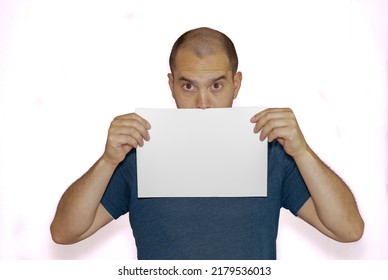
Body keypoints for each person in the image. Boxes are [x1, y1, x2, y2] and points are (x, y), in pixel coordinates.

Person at [50, 27, 364, 260]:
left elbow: (348, 231)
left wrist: (303, 152)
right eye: (188, 85)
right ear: (171, 85)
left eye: (216, 85)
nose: (203, 103)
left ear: (236, 83)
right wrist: (107, 161)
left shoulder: (270, 151)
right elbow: (65, 233)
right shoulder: (139, 153)